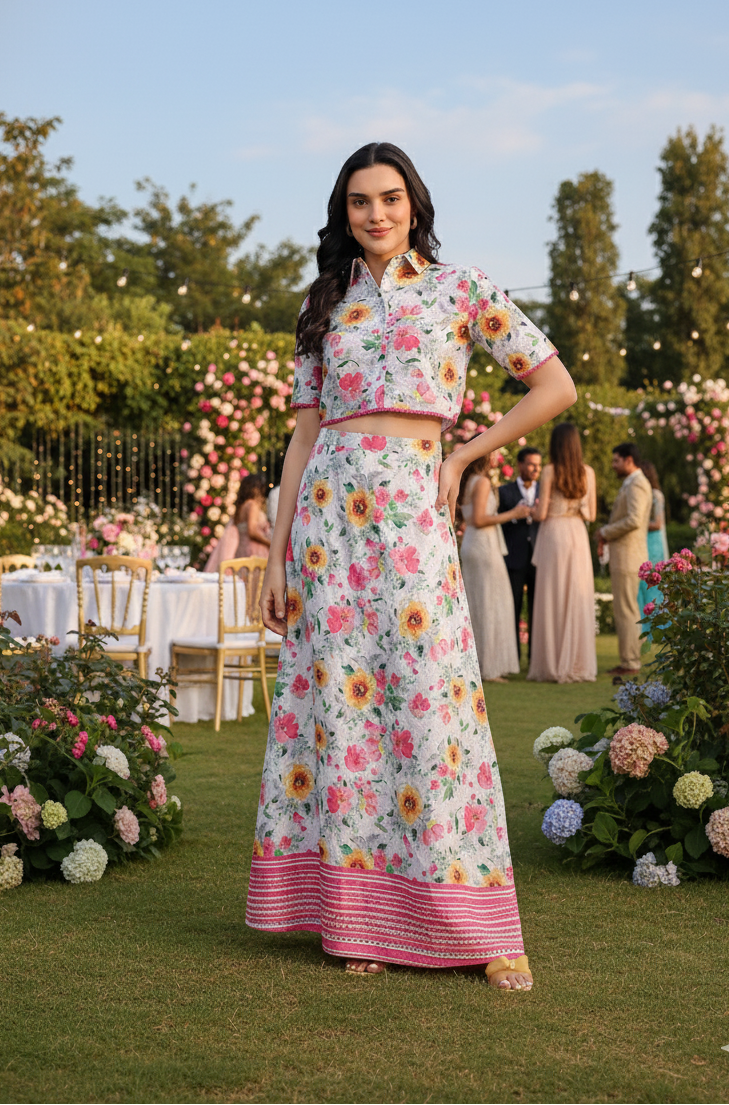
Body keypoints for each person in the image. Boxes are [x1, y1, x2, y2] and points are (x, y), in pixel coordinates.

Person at [246, 142, 576, 991]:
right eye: (359, 201)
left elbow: (555, 386)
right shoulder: (325, 302)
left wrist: (466, 454)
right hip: (328, 526)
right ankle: (358, 916)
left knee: (438, 710)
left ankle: (484, 926)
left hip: (414, 517)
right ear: (344, 212)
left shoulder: (461, 289)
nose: (376, 213)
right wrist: (275, 557)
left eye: (390, 197)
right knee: (345, 715)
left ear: (414, 204)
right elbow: (302, 438)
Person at [527, 423, 597, 683]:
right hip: (577, 533)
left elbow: (541, 514)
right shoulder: (588, 472)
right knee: (577, 595)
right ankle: (577, 662)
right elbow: (591, 514)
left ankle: (552, 662)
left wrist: (533, 509)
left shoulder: (550, 471)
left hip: (554, 533)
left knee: (552, 596)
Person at [459, 455, 526, 682]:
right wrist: (514, 514)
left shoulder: (467, 480)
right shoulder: (481, 481)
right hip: (483, 544)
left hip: (473, 543)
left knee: (479, 602)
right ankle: (488, 666)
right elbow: (478, 519)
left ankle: (480, 662)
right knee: (490, 603)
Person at [596, 443, 652, 676]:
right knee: (628, 609)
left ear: (629, 460)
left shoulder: (637, 483)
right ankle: (630, 659)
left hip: (628, 556)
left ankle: (630, 662)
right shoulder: (632, 483)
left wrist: (605, 532)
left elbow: (634, 520)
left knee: (626, 611)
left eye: (616, 460)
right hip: (627, 556)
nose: (613, 465)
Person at [498, 447, 541, 664]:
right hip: (514, 557)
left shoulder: (544, 490)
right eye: (531, 464)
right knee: (512, 608)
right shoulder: (504, 491)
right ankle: (513, 658)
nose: (535, 469)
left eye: (538, 465)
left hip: (538, 557)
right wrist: (515, 514)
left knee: (538, 609)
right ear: (520, 464)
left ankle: (535, 658)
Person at [204, 474, 271, 572]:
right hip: (254, 551)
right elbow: (252, 531)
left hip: (241, 548)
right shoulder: (252, 504)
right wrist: (269, 543)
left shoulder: (241, 507)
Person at [637, 461, 669, 616]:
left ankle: (655, 623)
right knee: (641, 585)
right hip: (642, 541)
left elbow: (657, 523)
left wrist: (637, 524)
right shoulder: (640, 495)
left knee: (652, 583)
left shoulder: (656, 495)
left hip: (653, 542)